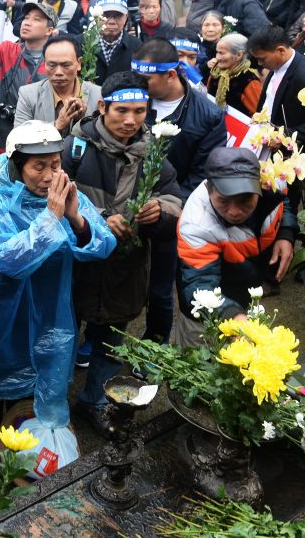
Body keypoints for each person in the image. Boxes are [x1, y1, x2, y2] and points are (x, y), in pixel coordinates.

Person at [0, 119, 114, 447]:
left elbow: (102, 245)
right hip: (1, 314)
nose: (47, 176)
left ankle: (24, 454)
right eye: (37, 166)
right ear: (17, 166)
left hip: (51, 312)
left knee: (38, 381)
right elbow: (9, 260)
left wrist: (75, 217)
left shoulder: (63, 195)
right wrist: (50, 218)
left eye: (55, 165)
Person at [60, 72, 183, 433]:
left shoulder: (155, 154)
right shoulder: (75, 148)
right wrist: (98, 220)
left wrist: (160, 211)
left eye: (140, 112)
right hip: (77, 262)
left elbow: (176, 199)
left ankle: (95, 402)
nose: (131, 120)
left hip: (126, 269)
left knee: (112, 342)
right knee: (64, 334)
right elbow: (52, 196)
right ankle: (52, 399)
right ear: (103, 107)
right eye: (122, 111)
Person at [132, 37, 226, 345]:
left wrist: (168, 209)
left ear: (171, 75)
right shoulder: (135, 100)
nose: (139, 85)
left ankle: (155, 341)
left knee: (160, 286)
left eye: (146, 80)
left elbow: (202, 175)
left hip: (170, 214)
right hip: (126, 202)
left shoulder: (207, 115)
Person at [176, 147, 297, 347]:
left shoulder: (271, 183)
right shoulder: (196, 224)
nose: (234, 211)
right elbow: (199, 286)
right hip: (205, 314)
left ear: (260, 187)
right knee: (199, 366)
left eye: (244, 201)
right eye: (223, 201)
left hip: (244, 293)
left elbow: (283, 201)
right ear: (208, 188)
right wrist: (234, 316)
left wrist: (286, 233)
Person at [0, 0, 55, 155]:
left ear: (49, 30)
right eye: (26, 18)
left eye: (36, 19)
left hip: (30, 150)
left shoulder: (54, 65)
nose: (27, 23)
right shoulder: (8, 50)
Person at [249, 26, 305, 182]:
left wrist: (285, 136)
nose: (259, 63)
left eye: (262, 59)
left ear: (280, 50)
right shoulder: (277, 66)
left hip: (296, 161)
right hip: (269, 154)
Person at [14, 35, 102, 137]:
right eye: (52, 65)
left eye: (66, 65)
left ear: (79, 64)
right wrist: (57, 125)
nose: (58, 72)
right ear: (44, 64)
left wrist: (83, 122)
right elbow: (17, 138)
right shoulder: (28, 94)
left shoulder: (98, 95)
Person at [206, 33, 261, 115]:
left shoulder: (249, 81)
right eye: (217, 52)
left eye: (221, 53)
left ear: (239, 55)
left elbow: (258, 115)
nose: (217, 57)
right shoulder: (216, 73)